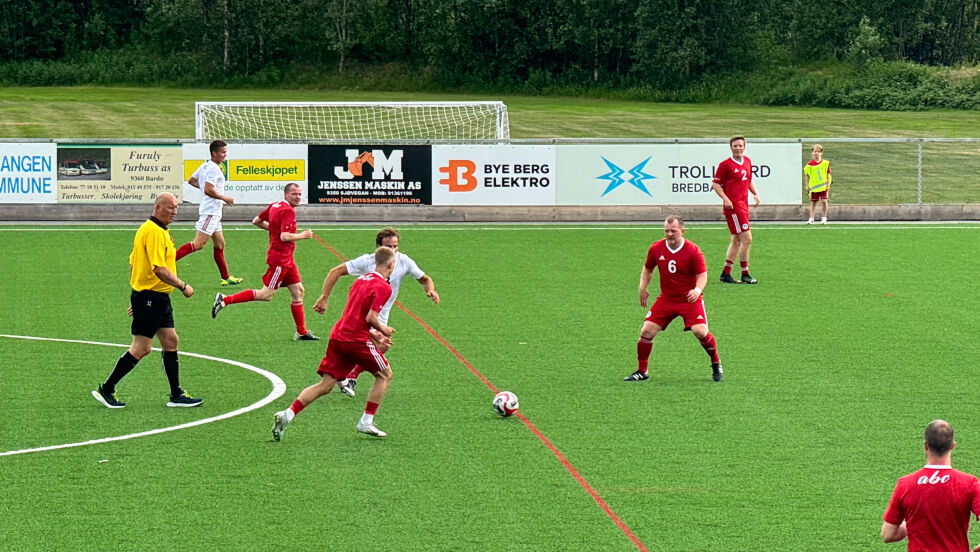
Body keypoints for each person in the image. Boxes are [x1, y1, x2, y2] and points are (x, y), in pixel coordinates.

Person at [272, 246, 398, 441]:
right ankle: (366, 421)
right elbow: (371, 317)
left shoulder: (360, 281)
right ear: (391, 264)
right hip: (355, 340)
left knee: (326, 385)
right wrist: (384, 330)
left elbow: (356, 317)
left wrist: (375, 336)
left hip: (338, 336)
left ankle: (287, 414)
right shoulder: (384, 287)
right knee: (384, 375)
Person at [91, 193, 203, 409]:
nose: (174, 211)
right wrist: (182, 286)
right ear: (158, 207)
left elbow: (134, 264)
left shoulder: (159, 230)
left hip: (156, 298)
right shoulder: (152, 232)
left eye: (176, 208)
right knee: (141, 348)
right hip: (151, 297)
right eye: (170, 207)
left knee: (171, 341)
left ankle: (176, 394)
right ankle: (107, 388)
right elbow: (159, 269)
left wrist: (137, 294)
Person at [313, 227, 439, 397]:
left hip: (381, 314)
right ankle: (349, 382)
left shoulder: (404, 261)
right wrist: (324, 297)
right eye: (388, 246)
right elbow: (335, 271)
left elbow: (424, 279)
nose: (392, 250)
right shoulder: (368, 261)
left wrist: (430, 290)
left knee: (382, 345)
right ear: (378, 247)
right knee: (377, 350)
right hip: (365, 315)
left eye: (395, 246)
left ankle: (347, 377)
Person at [210, 183, 318, 340]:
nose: (298, 197)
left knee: (298, 291)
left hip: (287, 260)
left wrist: (275, 230)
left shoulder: (275, 205)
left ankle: (301, 332)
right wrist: (303, 235)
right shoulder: (288, 210)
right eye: (294, 194)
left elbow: (256, 221)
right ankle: (225, 299)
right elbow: (284, 236)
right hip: (280, 260)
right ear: (286, 195)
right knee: (266, 294)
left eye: (300, 194)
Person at [623, 216, 723, 383]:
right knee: (646, 331)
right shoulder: (656, 248)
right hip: (667, 299)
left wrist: (697, 290)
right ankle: (642, 371)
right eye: (667, 231)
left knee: (700, 332)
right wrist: (642, 288)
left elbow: (702, 275)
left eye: (673, 231)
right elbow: (647, 269)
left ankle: (716, 362)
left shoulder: (693, 250)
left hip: (689, 300)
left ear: (682, 232)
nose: (669, 234)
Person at [881, 419, 980, 552]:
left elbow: (888, 535)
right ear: (952, 446)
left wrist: (910, 525)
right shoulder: (969, 483)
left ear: (926, 446)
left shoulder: (905, 484)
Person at [175, 139, 244, 287]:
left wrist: (206, 190)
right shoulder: (213, 169)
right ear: (214, 153)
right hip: (210, 213)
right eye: (223, 152)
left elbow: (192, 181)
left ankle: (225, 277)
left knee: (220, 245)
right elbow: (208, 189)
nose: (225, 155)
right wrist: (224, 197)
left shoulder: (206, 165)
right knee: (198, 244)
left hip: (214, 213)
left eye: (226, 152)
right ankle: (165, 263)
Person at [712, 135, 761, 285]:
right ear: (731, 148)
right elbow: (716, 184)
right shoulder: (725, 165)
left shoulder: (747, 161)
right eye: (735, 146)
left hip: (743, 206)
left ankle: (726, 273)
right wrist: (725, 199)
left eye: (740, 145)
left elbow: (748, 180)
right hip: (734, 209)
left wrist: (756, 193)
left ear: (744, 146)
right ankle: (745, 273)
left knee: (736, 240)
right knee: (747, 239)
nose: (738, 148)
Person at [803, 144, 832, 224]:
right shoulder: (809, 165)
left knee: (824, 201)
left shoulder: (825, 163)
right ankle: (811, 218)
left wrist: (828, 184)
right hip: (814, 187)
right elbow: (807, 176)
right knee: (813, 202)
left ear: (821, 153)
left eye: (818, 151)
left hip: (823, 187)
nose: (816, 153)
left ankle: (824, 218)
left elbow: (828, 174)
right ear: (812, 153)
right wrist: (807, 185)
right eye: (815, 151)